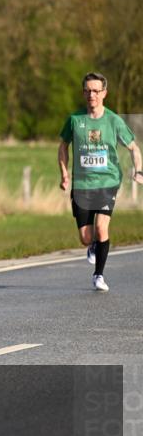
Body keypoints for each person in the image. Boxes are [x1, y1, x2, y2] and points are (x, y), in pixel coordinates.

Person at [58, 72, 143, 292]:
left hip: (108, 182)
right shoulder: (75, 120)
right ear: (83, 93)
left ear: (104, 93)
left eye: (96, 90)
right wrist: (65, 174)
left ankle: (99, 275)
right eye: (87, 90)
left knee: (101, 227)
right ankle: (93, 245)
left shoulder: (114, 120)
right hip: (82, 186)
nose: (91, 95)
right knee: (86, 238)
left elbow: (134, 148)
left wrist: (139, 170)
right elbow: (62, 147)